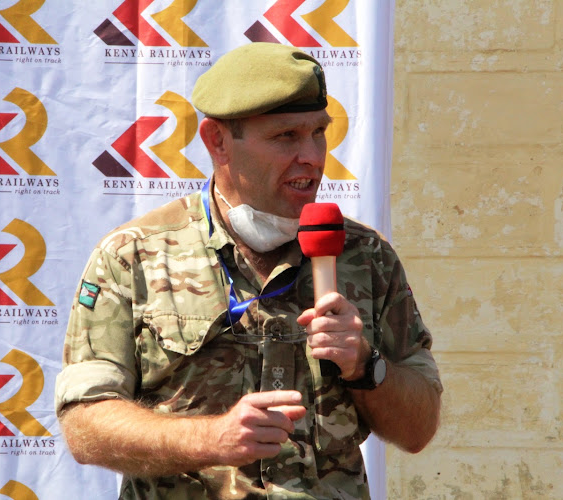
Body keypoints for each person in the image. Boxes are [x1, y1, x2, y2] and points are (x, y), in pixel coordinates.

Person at [55, 42, 442, 499]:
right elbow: (85, 423)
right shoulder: (134, 255)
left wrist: (365, 365)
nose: (313, 157)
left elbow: (418, 428)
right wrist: (209, 439)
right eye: (286, 137)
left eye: (319, 132)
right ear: (218, 141)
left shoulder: (365, 255)